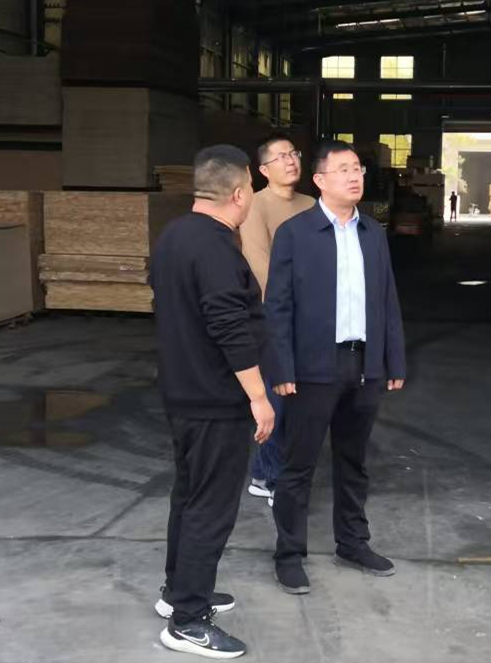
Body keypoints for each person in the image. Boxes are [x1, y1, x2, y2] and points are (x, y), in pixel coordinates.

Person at [150, 144, 276, 659]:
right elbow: (228, 325)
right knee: (211, 507)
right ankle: (187, 621)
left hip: (182, 392)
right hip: (215, 399)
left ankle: (178, 591)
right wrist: (259, 396)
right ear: (239, 192)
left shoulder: (174, 235)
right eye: (252, 188)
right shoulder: (217, 246)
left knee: (189, 496)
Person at [265, 140, 407, 594]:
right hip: (312, 367)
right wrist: (282, 367)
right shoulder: (295, 233)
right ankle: (289, 554)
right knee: (298, 466)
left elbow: (387, 299)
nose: (354, 176)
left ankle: (353, 542)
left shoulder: (373, 233)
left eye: (358, 168)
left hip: (363, 364)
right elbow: (278, 306)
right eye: (343, 169)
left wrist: (393, 358)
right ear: (320, 180)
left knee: (354, 461)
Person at [240, 133, 315, 507]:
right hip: (277, 317)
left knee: (303, 401)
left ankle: (265, 473)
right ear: (264, 169)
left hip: (313, 317)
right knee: (279, 400)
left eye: (294, 153)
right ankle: (271, 478)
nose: (291, 160)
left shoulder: (311, 204)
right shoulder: (256, 206)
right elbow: (261, 266)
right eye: (281, 156)